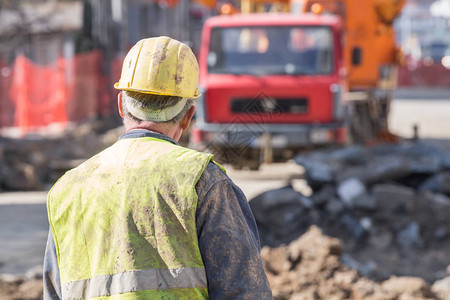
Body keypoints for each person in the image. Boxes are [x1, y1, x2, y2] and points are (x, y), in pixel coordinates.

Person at [43, 36, 272, 299]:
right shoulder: (202, 181)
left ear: (121, 105)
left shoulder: (67, 189)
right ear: (187, 115)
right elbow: (244, 291)